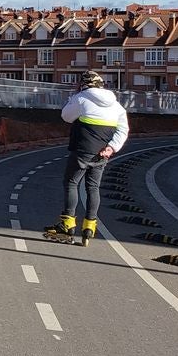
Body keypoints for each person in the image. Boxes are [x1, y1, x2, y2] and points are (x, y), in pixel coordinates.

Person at [44, 71, 130, 246]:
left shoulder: (81, 98)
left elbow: (66, 117)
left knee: (71, 183)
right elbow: (123, 129)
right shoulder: (116, 106)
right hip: (102, 153)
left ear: (83, 84)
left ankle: (67, 224)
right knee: (93, 187)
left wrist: (72, 99)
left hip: (82, 149)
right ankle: (89, 226)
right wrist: (111, 147)